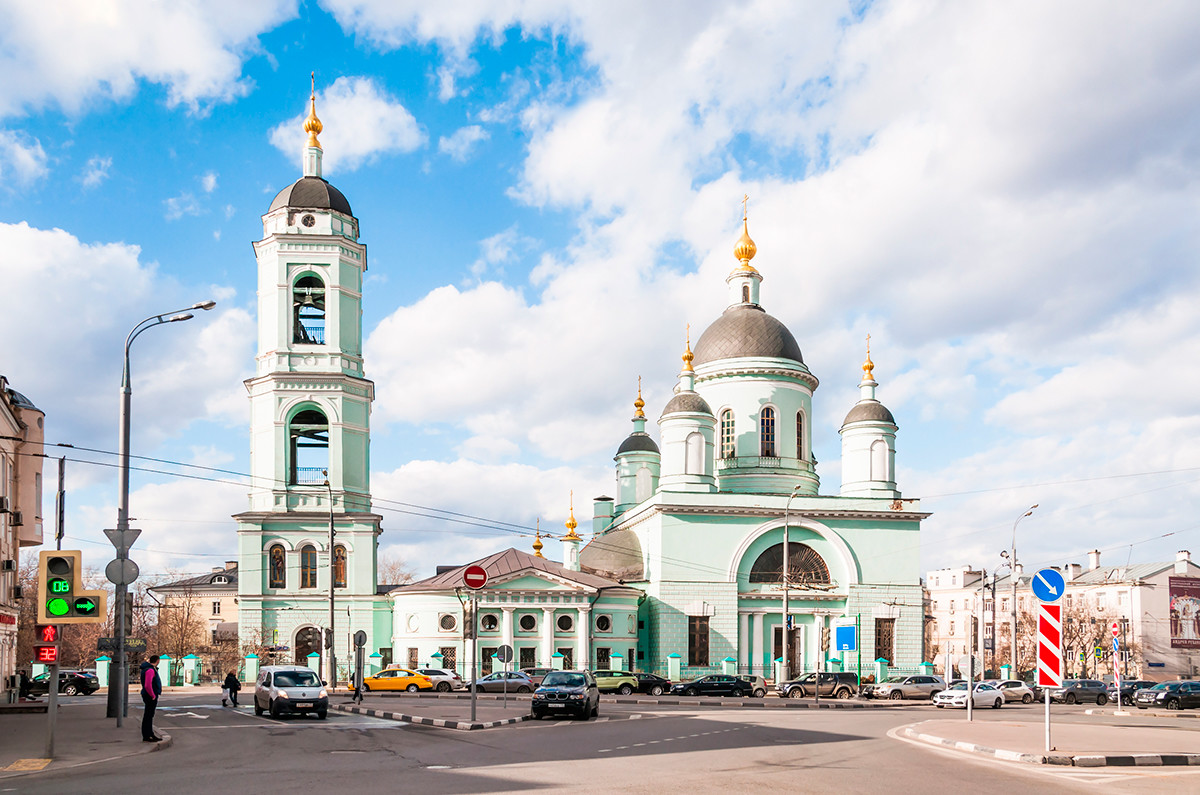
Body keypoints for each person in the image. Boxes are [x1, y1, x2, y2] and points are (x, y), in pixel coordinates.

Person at [140, 655, 162, 742]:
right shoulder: (150, 670)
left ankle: (150, 734)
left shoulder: (148, 669)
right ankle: (147, 735)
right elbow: (147, 685)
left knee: (149, 715)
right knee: (148, 716)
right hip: (150, 695)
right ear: (157, 661)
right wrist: (153, 695)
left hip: (148, 694)